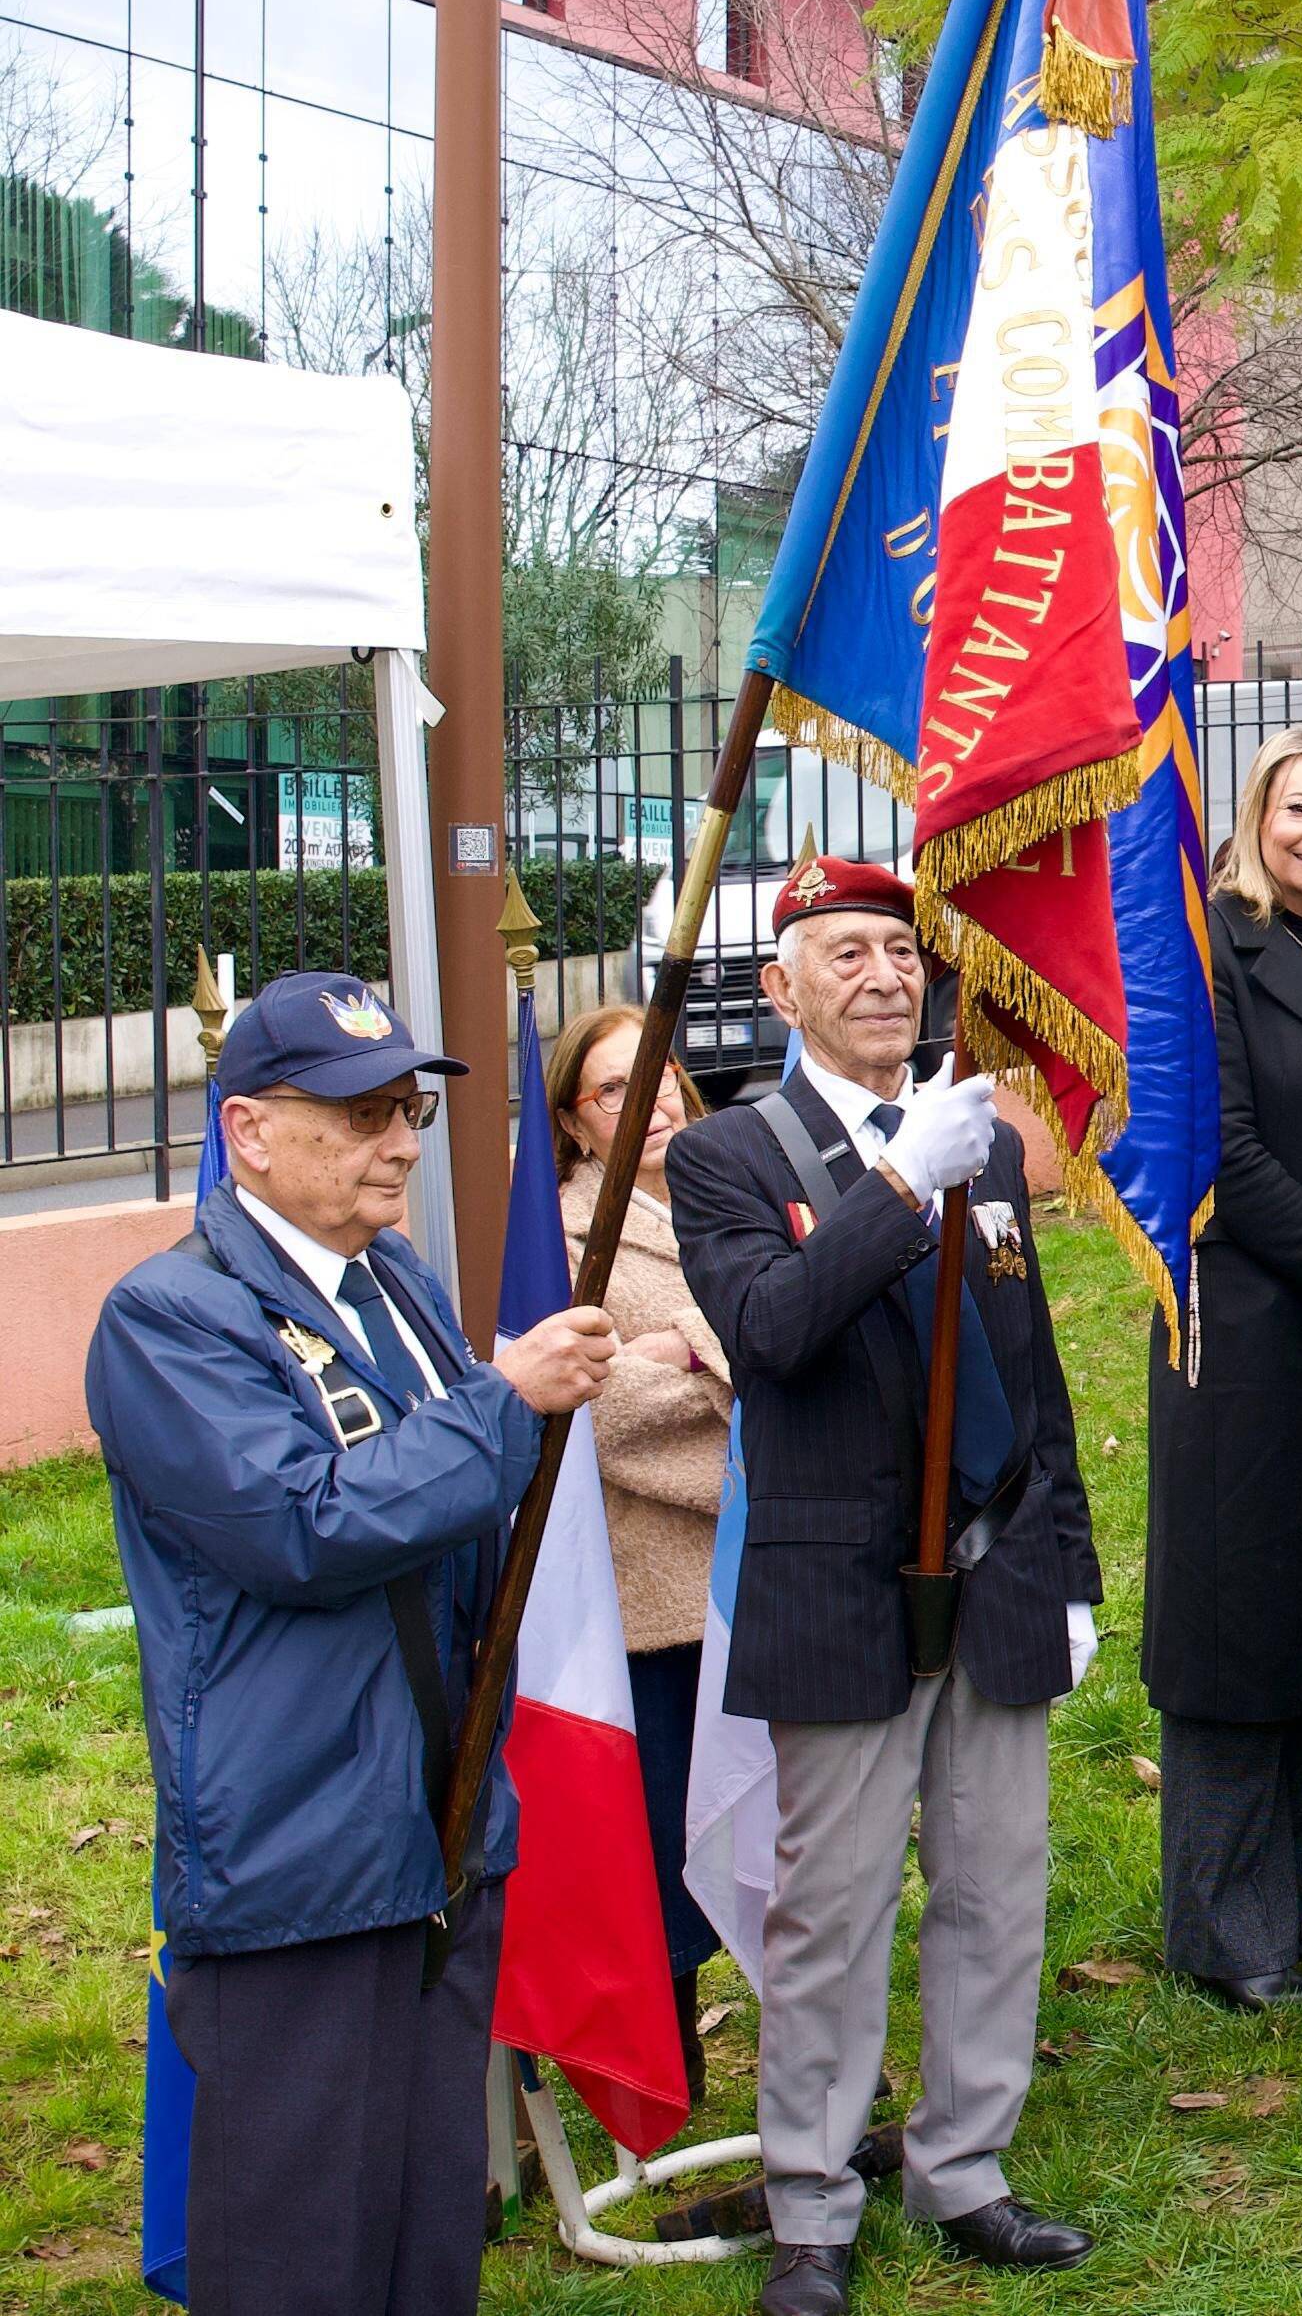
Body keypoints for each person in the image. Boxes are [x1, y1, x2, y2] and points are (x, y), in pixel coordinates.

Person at [88, 973, 614, 2316]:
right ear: (253, 1130)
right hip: (298, 1847)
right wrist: (501, 1403)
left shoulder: (397, 1281)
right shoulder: (171, 1316)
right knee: (299, 2245)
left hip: (435, 1827)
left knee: (427, 2219)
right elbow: (294, 1522)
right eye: (359, 1111)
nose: (398, 1139)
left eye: (409, 1108)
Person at [664, 861, 1103, 2315]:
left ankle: (965, 2162)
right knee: (832, 1908)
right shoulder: (735, 1156)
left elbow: (1029, 1377)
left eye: (900, 954)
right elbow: (775, 1328)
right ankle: (810, 2196)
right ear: (779, 990)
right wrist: (899, 1176)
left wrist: (1074, 1570)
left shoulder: (973, 1134)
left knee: (995, 1889)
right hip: (839, 1585)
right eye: (841, 954)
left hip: (997, 1572)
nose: (883, 977)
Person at [1144, 730, 1302, 2012]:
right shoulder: (1210, 947)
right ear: (1258, 815)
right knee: (1235, 1641)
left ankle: (1288, 1900)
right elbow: (1220, 1154)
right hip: (1240, 1334)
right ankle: (1221, 1934)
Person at [547, 1001, 733, 2101]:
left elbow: (799, 1335)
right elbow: (599, 1416)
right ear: (576, 1123)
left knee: (765, 1825)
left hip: (754, 1575)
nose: (653, 1097)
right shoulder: (568, 1237)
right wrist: (727, 1356)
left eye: (661, 1073)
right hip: (653, 1587)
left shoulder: (731, 1191)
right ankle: (659, 2064)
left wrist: (689, 1348)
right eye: (617, 1087)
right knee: (661, 1833)